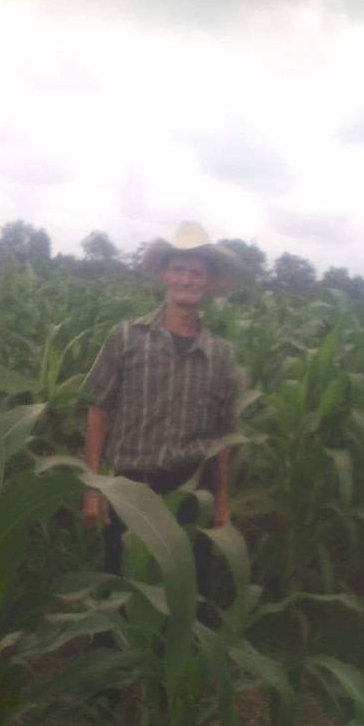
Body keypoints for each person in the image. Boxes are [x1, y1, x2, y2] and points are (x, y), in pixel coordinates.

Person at [80, 221, 242, 579]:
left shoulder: (221, 354)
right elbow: (98, 411)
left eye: (197, 273)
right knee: (121, 588)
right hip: (131, 486)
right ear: (165, 275)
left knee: (187, 591)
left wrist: (222, 502)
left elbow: (224, 435)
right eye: (179, 269)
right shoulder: (126, 336)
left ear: (210, 283)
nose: (187, 279)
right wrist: (94, 488)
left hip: (191, 490)